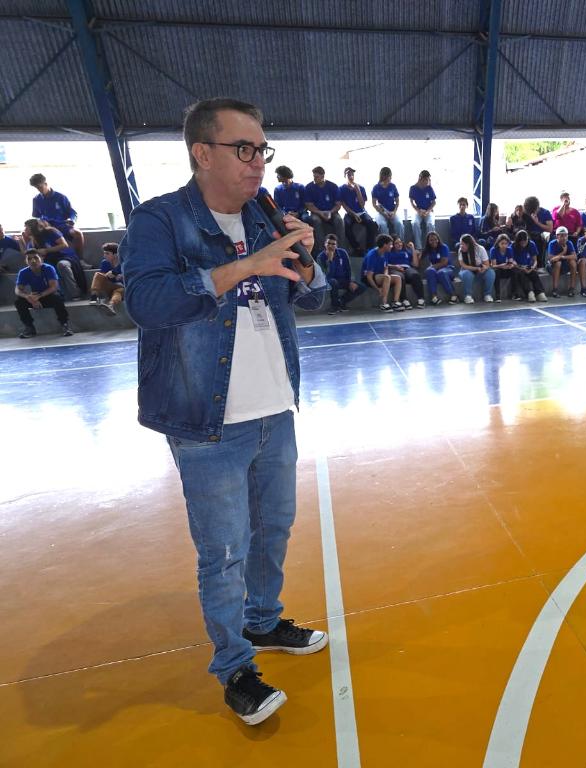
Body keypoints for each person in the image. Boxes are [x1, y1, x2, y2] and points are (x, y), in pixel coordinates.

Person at [120, 98, 328, 724]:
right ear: (201, 152)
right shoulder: (160, 220)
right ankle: (235, 666)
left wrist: (306, 258)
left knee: (274, 530)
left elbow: (313, 301)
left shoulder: (266, 220)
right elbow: (148, 302)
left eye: (263, 149)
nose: (257, 162)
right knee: (225, 550)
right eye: (244, 149)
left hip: (273, 409)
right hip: (207, 422)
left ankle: (262, 621)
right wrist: (246, 266)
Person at [23, 217, 88, 299]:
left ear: (33, 228)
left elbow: (64, 245)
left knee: (62, 265)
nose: (25, 230)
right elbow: (29, 255)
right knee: (45, 268)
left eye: (26, 228)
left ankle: (75, 293)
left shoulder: (50, 232)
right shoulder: (31, 242)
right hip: (49, 260)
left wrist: (46, 250)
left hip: (65, 256)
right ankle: (56, 294)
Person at [14, 249, 72, 338]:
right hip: (34, 297)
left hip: (49, 295)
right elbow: (18, 290)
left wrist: (39, 296)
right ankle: (29, 327)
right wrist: (28, 297)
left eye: (35, 258)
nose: (33, 261)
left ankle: (64, 324)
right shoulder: (23, 272)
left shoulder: (48, 268)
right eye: (29, 259)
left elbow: (54, 287)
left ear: (41, 258)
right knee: (19, 302)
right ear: (26, 261)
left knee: (57, 298)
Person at [29, 173, 85, 258]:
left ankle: (80, 259)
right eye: (36, 188)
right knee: (26, 234)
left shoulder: (61, 197)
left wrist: (71, 220)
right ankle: (37, 261)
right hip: (46, 227)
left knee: (77, 233)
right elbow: (36, 216)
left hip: (61, 225)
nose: (39, 190)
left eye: (40, 187)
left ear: (46, 184)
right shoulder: (36, 199)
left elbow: (72, 212)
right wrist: (41, 222)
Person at [338, 167, 379, 257]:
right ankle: (356, 247)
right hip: (350, 213)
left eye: (352, 174)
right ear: (345, 176)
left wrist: (358, 191)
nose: (351, 176)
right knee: (346, 225)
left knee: (371, 224)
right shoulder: (341, 188)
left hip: (362, 212)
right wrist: (353, 214)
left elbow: (362, 205)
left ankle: (369, 248)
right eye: (348, 174)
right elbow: (343, 205)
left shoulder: (361, 187)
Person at [304, 165, 343, 252]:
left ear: (323, 176)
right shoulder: (309, 187)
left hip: (332, 211)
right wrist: (320, 212)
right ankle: (322, 250)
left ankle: (339, 248)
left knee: (339, 220)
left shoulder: (333, 186)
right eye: (314, 176)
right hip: (317, 212)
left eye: (317, 177)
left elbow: (338, 204)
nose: (314, 179)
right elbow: (309, 205)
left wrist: (330, 212)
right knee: (316, 221)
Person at [322, 234, 365, 314]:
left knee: (362, 287)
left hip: (343, 280)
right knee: (333, 282)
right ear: (325, 244)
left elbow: (348, 268)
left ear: (336, 245)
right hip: (328, 281)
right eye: (329, 243)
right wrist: (330, 261)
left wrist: (351, 281)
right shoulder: (321, 256)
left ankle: (341, 301)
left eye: (333, 244)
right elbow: (325, 274)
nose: (331, 246)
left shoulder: (342, 253)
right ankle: (334, 306)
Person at [363, 234, 403, 312]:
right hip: (368, 278)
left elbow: (386, 267)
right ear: (385, 245)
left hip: (380, 276)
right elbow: (369, 276)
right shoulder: (372, 255)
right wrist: (378, 289)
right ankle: (384, 304)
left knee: (398, 278)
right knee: (387, 277)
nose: (392, 246)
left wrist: (386, 275)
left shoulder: (386, 253)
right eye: (390, 245)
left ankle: (395, 302)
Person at [456, 233, 495, 303]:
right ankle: (467, 296)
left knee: (491, 273)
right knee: (467, 274)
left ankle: (487, 295)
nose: (461, 246)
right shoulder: (460, 250)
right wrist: (476, 268)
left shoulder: (480, 249)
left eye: (462, 244)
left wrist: (484, 268)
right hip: (466, 270)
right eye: (460, 244)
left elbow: (487, 264)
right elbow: (463, 265)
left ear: (468, 244)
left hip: (480, 270)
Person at [510, 229, 547, 302]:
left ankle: (540, 293)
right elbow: (512, 261)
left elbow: (535, 260)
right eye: (522, 242)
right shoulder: (512, 246)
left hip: (529, 266)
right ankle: (530, 292)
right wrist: (521, 267)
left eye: (525, 241)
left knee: (534, 274)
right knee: (522, 275)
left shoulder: (531, 244)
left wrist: (532, 267)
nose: (524, 243)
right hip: (518, 267)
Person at [88, 241, 124, 315]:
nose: (104, 255)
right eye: (104, 253)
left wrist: (121, 276)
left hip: (123, 288)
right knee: (98, 274)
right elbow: (102, 278)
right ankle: (94, 297)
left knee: (119, 291)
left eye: (107, 253)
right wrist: (107, 275)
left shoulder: (124, 263)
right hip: (110, 286)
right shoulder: (105, 263)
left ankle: (111, 305)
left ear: (115, 254)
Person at [388, 236, 425, 308]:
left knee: (415, 275)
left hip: (407, 268)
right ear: (392, 245)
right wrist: (395, 267)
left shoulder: (406, 252)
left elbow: (415, 264)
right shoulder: (388, 252)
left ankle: (421, 299)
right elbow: (385, 264)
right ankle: (404, 300)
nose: (399, 244)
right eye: (396, 243)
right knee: (400, 277)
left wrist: (413, 248)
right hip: (395, 269)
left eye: (400, 242)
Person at [423, 230, 457, 305]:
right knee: (430, 271)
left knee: (440, 273)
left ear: (438, 239)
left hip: (448, 269)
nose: (434, 241)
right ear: (428, 241)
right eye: (431, 240)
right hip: (436, 271)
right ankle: (434, 297)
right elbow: (420, 257)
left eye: (435, 239)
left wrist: (432, 266)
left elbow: (444, 263)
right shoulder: (428, 249)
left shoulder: (443, 247)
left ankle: (454, 295)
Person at [371, 166, 404, 239]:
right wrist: (384, 213)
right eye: (389, 176)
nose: (391, 178)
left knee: (399, 224)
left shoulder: (393, 186)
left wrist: (394, 212)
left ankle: (400, 243)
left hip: (392, 211)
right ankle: (386, 245)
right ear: (384, 176)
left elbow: (397, 201)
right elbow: (374, 204)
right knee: (382, 225)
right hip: (381, 211)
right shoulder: (376, 187)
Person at [547, 226, 578, 298]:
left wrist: (563, 257)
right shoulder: (552, 243)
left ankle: (571, 289)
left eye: (565, 235)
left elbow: (574, 256)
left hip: (564, 266)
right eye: (561, 236)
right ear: (557, 236)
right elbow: (552, 259)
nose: (564, 238)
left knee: (573, 263)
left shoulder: (569, 243)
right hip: (552, 267)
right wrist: (563, 252)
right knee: (558, 263)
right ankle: (555, 290)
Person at [409, 169, 437, 250]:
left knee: (430, 224)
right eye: (426, 180)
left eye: (428, 180)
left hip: (428, 211)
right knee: (415, 223)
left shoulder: (429, 188)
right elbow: (411, 202)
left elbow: (434, 202)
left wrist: (427, 211)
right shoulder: (413, 188)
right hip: (418, 211)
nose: (427, 182)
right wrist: (418, 211)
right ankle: (419, 247)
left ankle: (431, 246)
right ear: (421, 179)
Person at [523, 195, 554, 261]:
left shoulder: (545, 213)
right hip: (528, 236)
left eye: (534, 210)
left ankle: (539, 265)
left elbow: (550, 229)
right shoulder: (526, 212)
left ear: (537, 207)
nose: (533, 212)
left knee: (537, 243)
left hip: (541, 237)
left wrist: (537, 222)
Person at [490, 233, 518, 301]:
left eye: (506, 243)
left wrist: (511, 265)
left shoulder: (509, 249)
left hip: (506, 268)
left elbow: (511, 261)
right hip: (498, 268)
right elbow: (493, 265)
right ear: (498, 243)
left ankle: (514, 294)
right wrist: (502, 266)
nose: (504, 245)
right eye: (502, 243)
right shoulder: (493, 250)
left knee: (514, 271)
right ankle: (498, 295)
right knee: (496, 272)